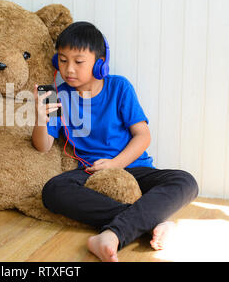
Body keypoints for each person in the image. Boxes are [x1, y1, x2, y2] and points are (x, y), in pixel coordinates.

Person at [31, 21, 198, 262]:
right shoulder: (59, 96)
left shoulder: (119, 87)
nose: (69, 69)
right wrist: (39, 119)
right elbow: (43, 145)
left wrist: (116, 164)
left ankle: (113, 233)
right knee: (53, 190)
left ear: (100, 64)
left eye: (78, 62)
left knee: (185, 181)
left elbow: (143, 135)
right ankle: (152, 222)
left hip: (134, 167)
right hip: (91, 172)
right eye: (63, 60)